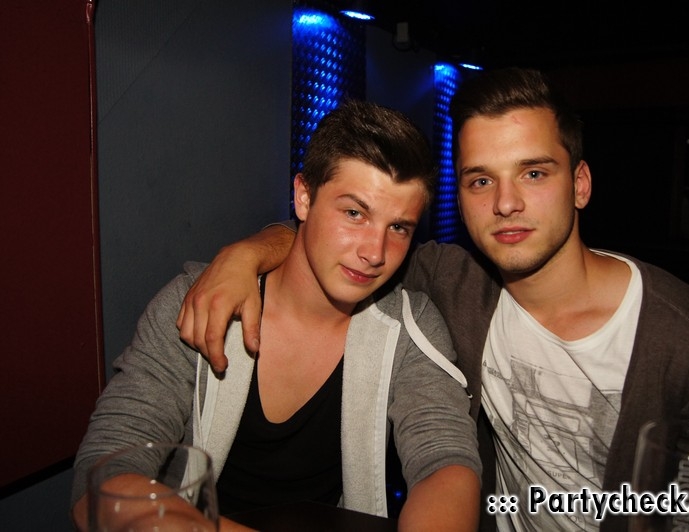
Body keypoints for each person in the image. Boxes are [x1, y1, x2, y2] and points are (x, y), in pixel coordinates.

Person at [176, 69, 689, 531]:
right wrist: (247, 253)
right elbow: (339, 242)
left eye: (534, 173)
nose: (506, 203)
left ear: (581, 184)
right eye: (481, 180)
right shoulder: (452, 283)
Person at [71, 100, 482, 532]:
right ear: (303, 196)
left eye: (398, 227)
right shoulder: (200, 302)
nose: (375, 252)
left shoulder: (411, 328)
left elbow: (444, 462)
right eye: (354, 213)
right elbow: (103, 476)